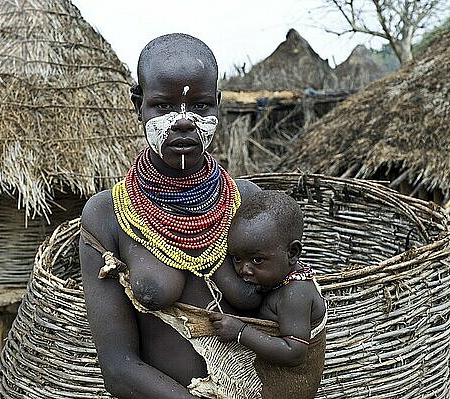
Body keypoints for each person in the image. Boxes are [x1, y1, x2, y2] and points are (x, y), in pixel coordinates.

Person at [79, 33, 262, 398]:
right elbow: (118, 368)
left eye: (200, 106)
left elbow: (288, 317)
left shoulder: (248, 202)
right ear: (139, 105)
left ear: (218, 105)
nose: (183, 121)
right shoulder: (107, 216)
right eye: (163, 106)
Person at [209, 190, 327, 398]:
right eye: (236, 258)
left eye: (256, 260)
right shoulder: (277, 280)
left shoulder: (296, 293)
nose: (244, 269)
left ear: (292, 253)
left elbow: (294, 353)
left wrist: (240, 332)